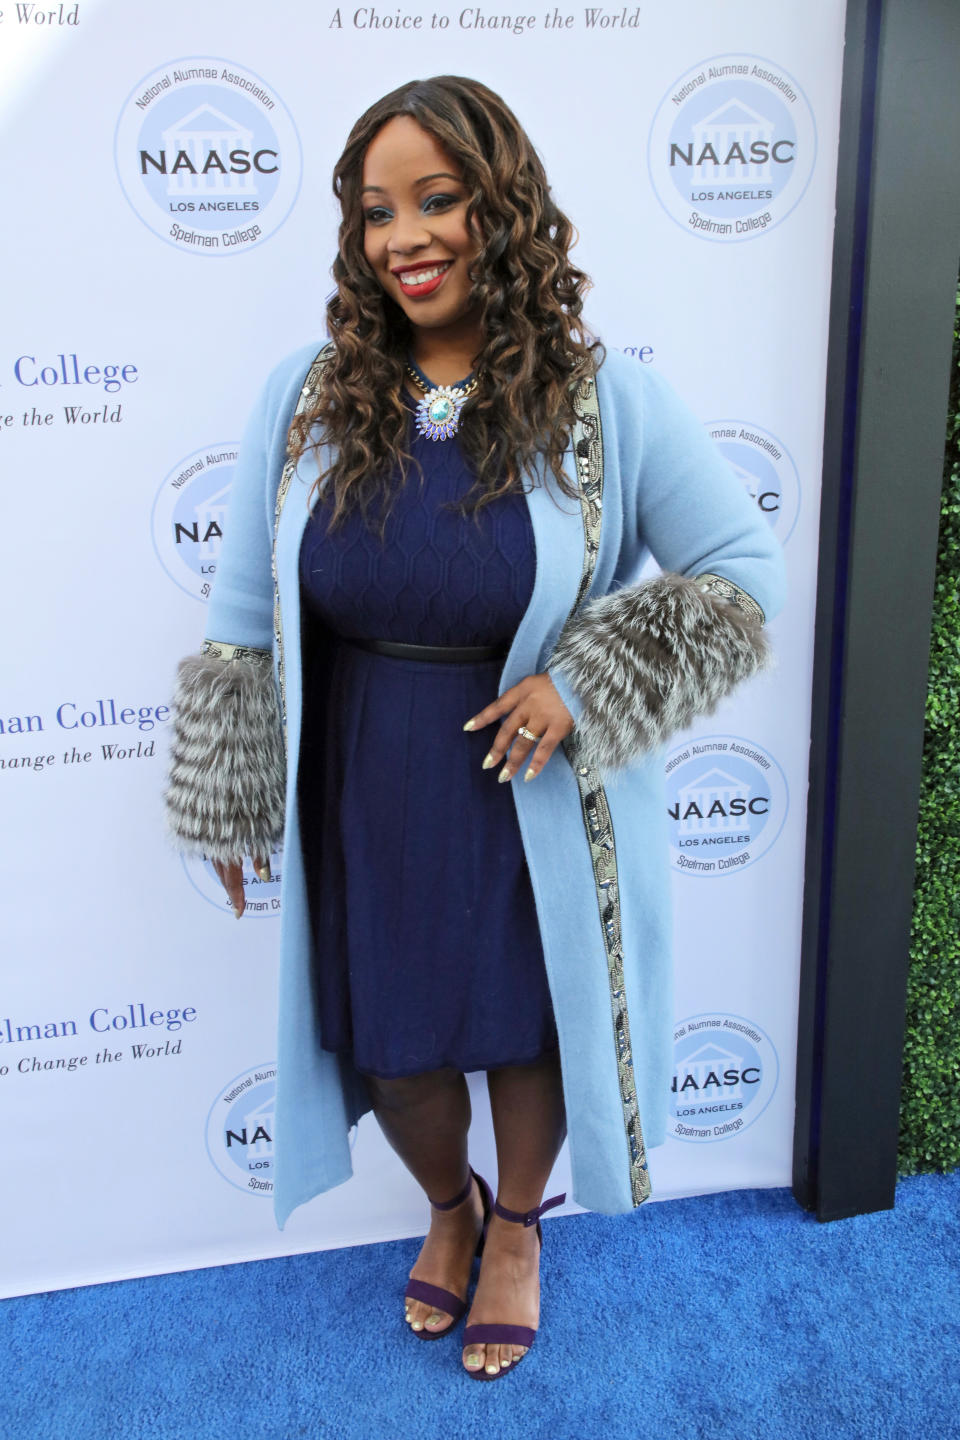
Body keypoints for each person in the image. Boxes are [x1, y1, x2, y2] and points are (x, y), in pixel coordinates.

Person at [164, 74, 785, 1382]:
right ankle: (447, 1205)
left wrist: (589, 681)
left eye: (437, 199)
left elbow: (741, 573)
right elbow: (240, 614)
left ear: (502, 206)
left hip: (536, 779)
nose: (406, 237)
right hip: (364, 769)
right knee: (392, 1038)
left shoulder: (604, 398)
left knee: (527, 1021)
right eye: (379, 212)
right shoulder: (309, 394)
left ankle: (516, 1227)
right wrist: (227, 785)